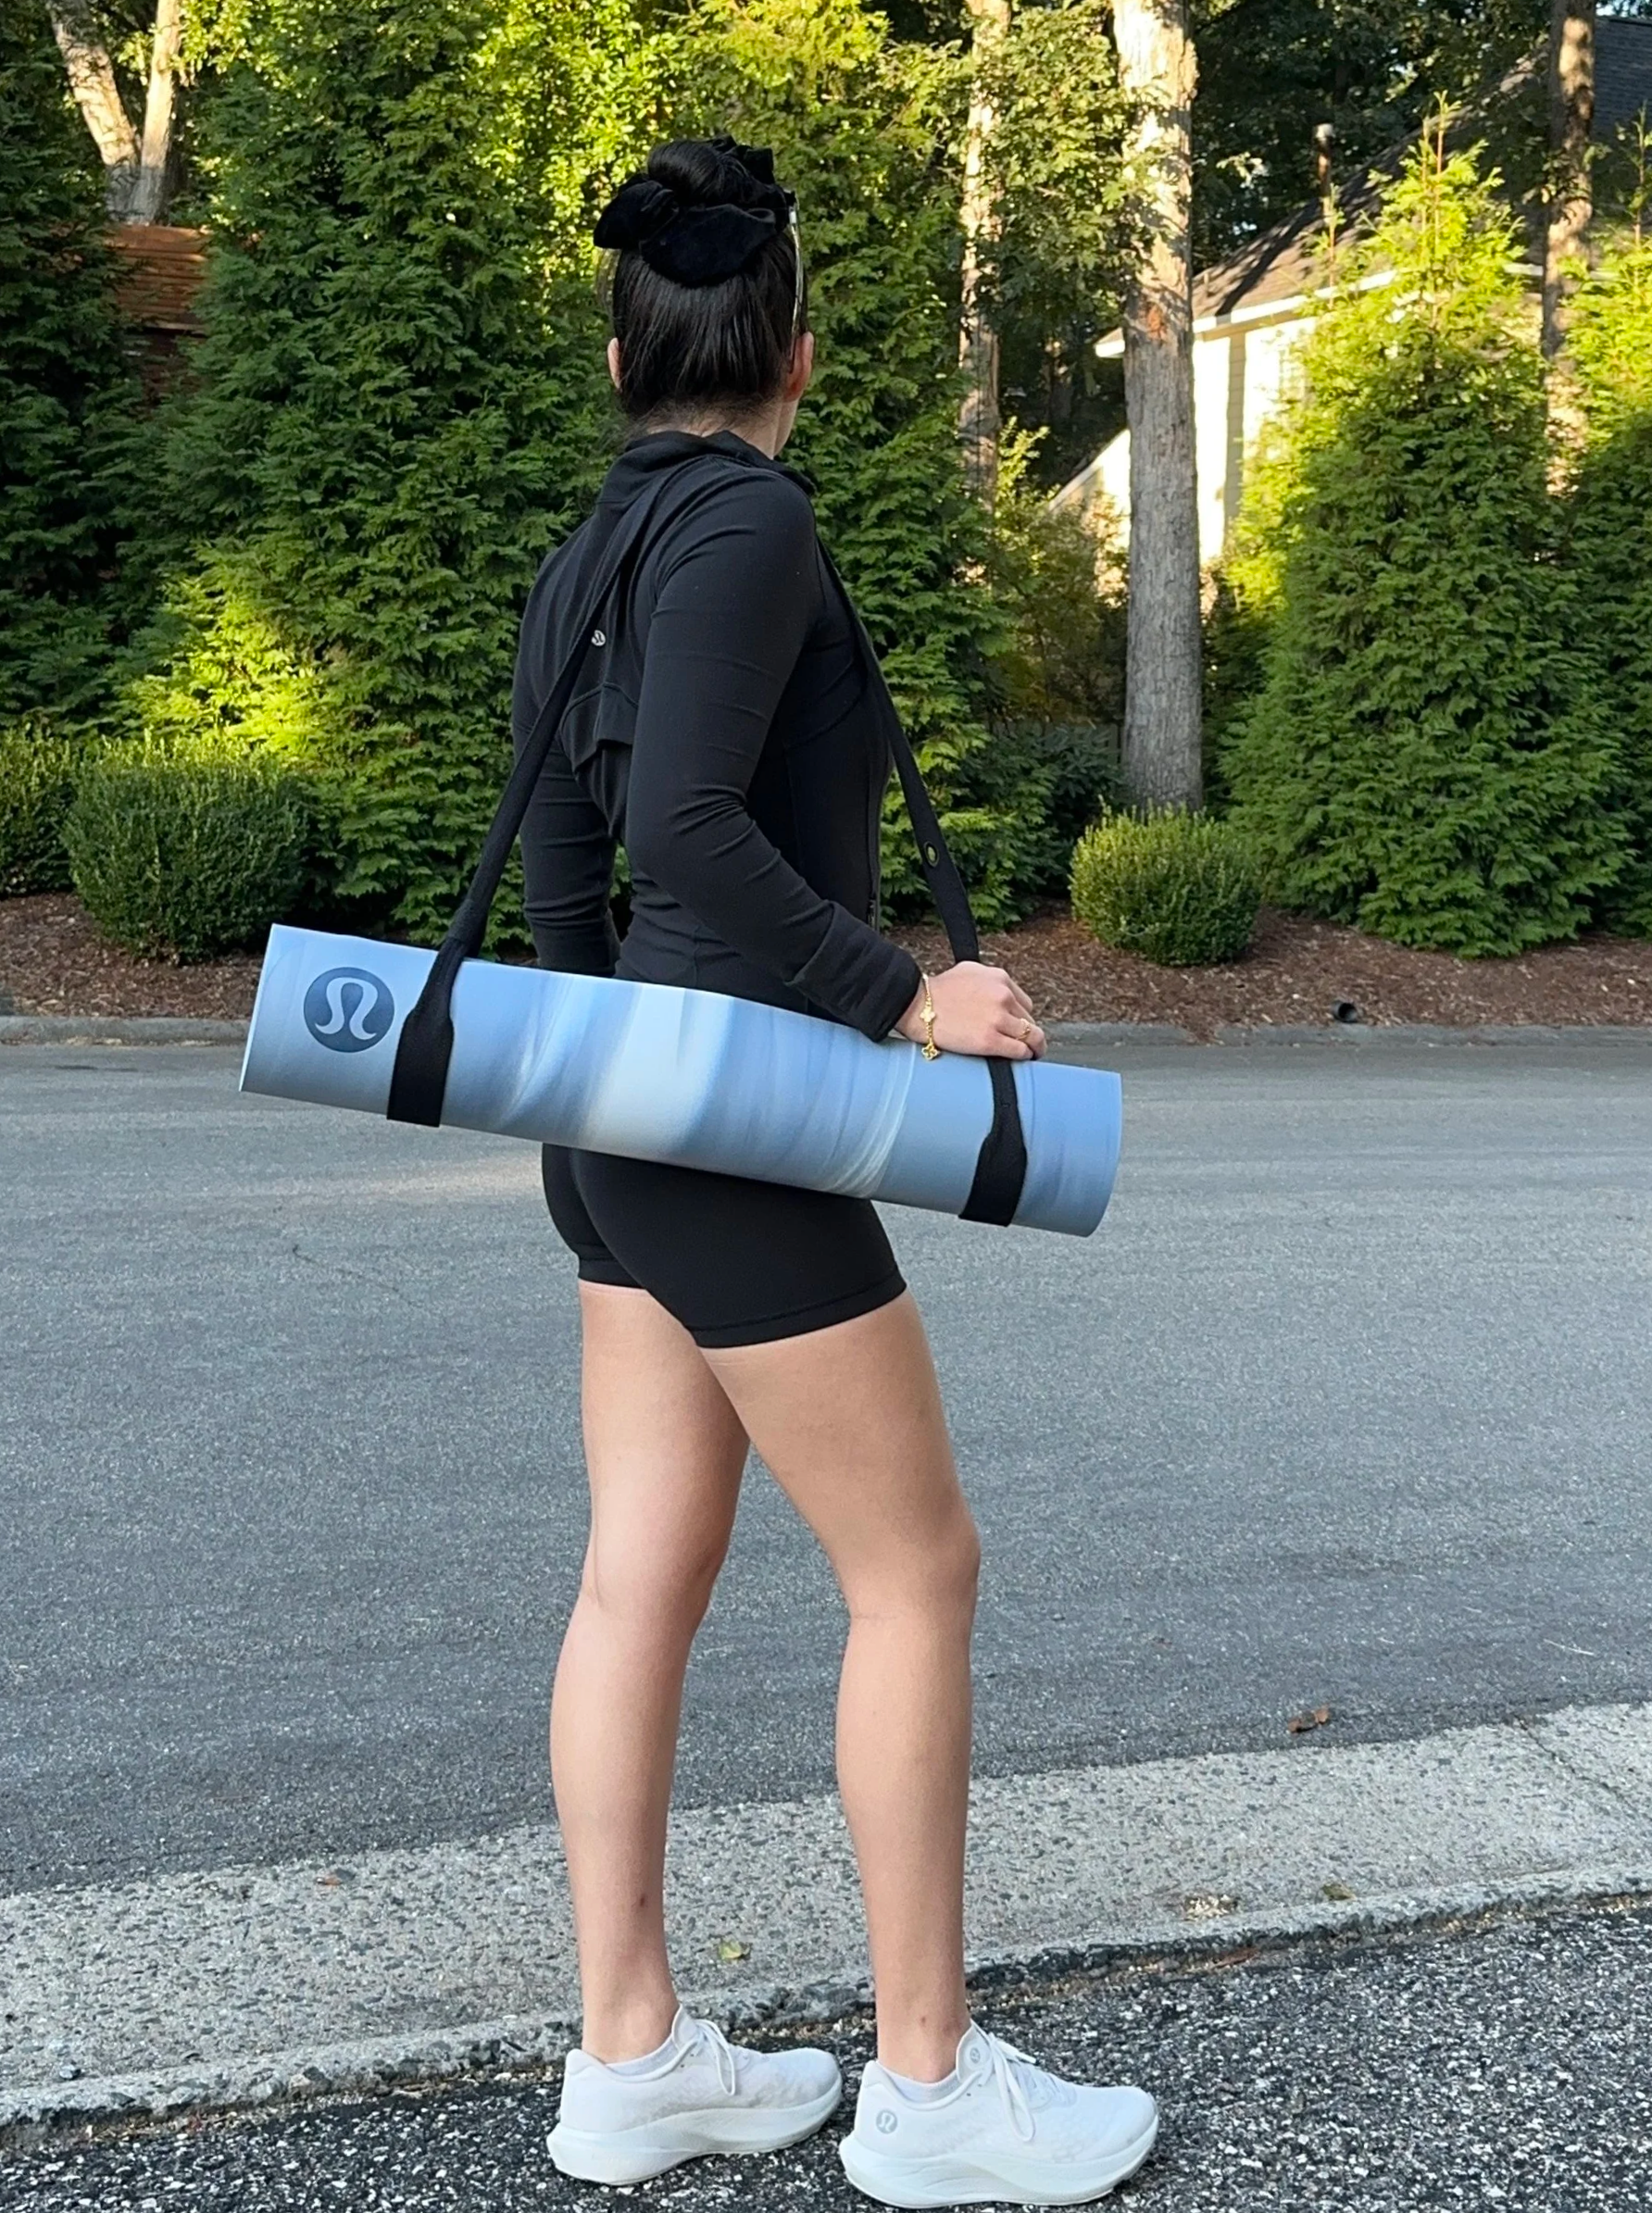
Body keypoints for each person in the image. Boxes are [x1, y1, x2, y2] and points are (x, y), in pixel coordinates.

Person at [519, 136, 1158, 2206]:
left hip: (623, 1112)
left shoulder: (591, 547)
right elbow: (693, 831)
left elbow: (570, 865)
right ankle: (931, 2088)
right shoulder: (752, 523)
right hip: (740, 1119)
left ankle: (633, 2061)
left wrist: (589, 1108)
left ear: (622, 356)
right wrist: (909, 996)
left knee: (637, 1574)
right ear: (796, 350)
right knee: (916, 1569)